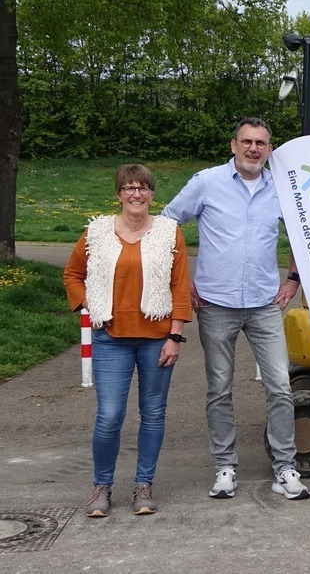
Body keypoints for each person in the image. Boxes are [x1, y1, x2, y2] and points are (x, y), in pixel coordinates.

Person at [162, 117, 310, 500]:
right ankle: (225, 467)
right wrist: (181, 280)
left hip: (264, 304)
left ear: (270, 149)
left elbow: (302, 234)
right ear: (233, 145)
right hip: (216, 304)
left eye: (261, 143)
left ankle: (285, 468)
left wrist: (293, 279)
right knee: (219, 389)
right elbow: (167, 224)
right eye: (247, 142)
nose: (253, 149)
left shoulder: (282, 188)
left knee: (280, 387)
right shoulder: (206, 182)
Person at [63, 164, 192, 517]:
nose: (137, 194)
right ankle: (101, 487)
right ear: (119, 194)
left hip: (157, 339)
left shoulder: (169, 233)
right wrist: (90, 302)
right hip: (111, 338)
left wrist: (175, 336)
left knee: (153, 414)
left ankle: (143, 485)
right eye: (129, 188)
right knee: (109, 415)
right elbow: (72, 274)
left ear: (152, 194)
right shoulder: (97, 232)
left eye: (143, 188)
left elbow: (180, 287)